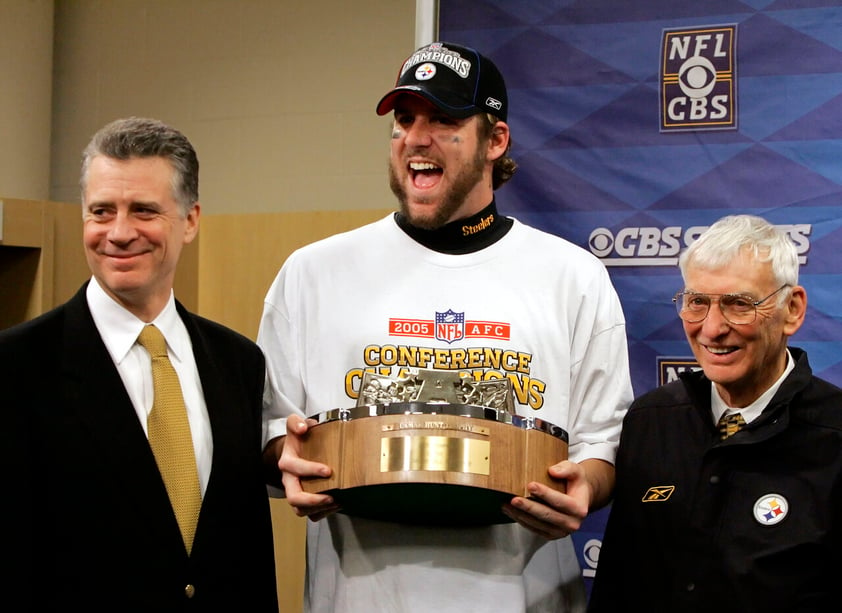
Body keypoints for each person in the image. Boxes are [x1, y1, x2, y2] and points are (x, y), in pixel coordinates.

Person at [258, 41, 633, 612]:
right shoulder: (312, 273)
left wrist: (586, 484)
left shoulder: (572, 276)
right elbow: (270, 428)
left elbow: (602, 443)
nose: (416, 137)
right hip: (357, 597)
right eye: (405, 119)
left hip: (521, 596)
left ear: (496, 140)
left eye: (445, 120)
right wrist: (286, 455)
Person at [0, 117, 278, 611]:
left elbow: (248, 548)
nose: (119, 233)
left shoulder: (238, 362)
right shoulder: (16, 366)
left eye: (144, 210)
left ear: (190, 220)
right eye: (101, 211)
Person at [588, 214, 842, 612]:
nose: (711, 328)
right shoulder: (651, 420)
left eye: (739, 305)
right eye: (697, 303)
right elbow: (618, 583)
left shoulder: (834, 434)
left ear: (792, 309)